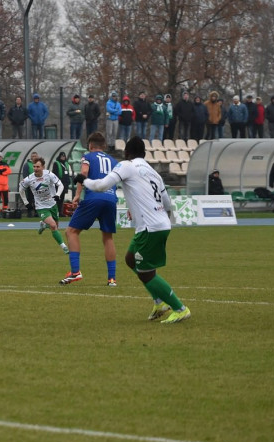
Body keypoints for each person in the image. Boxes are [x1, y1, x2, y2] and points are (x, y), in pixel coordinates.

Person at [78, 136, 191, 323]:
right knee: (131, 259)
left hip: (150, 227)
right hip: (159, 224)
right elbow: (167, 203)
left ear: (127, 153)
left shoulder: (127, 165)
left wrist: (84, 180)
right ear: (144, 153)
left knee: (146, 272)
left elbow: (101, 185)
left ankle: (180, 308)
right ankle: (159, 302)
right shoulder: (153, 173)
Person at [61, 132, 118, 286]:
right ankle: (112, 279)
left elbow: (84, 172)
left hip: (94, 197)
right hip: (111, 199)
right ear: (104, 146)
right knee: (108, 237)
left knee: (71, 232)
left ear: (90, 145)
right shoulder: (113, 161)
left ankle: (75, 272)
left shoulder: (88, 156)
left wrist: (77, 195)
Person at [18, 158, 69, 253]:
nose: (35, 168)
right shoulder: (29, 179)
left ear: (43, 167)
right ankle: (64, 247)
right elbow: (21, 189)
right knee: (53, 225)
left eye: (38, 166)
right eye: (34, 166)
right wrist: (26, 202)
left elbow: (60, 185)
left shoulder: (49, 175)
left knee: (56, 226)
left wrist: (58, 195)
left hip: (53, 204)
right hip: (41, 207)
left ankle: (44, 225)